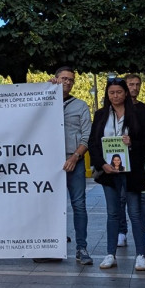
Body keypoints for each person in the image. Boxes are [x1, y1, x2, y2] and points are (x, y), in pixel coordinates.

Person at [88, 77, 145, 271]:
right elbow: (93, 143)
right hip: (109, 171)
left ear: (125, 93)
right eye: (111, 93)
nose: (115, 96)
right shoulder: (100, 115)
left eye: (119, 92)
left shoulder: (138, 114)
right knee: (113, 213)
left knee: (135, 212)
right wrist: (102, 164)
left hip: (131, 171)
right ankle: (110, 253)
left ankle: (140, 255)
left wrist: (132, 143)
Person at [51, 67, 93, 266]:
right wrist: (45, 88)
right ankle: (49, 246)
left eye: (71, 80)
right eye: (63, 79)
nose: (67, 82)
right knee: (49, 206)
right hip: (49, 163)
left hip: (73, 161)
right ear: (56, 79)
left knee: (79, 205)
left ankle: (81, 247)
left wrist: (76, 157)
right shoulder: (44, 100)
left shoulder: (81, 106)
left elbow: (87, 136)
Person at [123, 74, 145, 251]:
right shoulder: (118, 108)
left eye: (137, 84)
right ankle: (122, 230)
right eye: (130, 84)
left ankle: (142, 230)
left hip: (141, 158)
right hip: (121, 158)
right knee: (122, 197)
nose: (134, 88)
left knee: (144, 197)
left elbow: (144, 135)